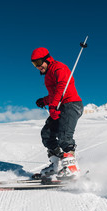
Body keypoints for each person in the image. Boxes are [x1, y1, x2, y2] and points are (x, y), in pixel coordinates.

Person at [31, 47, 84, 179]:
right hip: (60, 105)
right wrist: (45, 100)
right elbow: (54, 94)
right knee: (47, 134)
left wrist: (53, 105)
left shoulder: (59, 68)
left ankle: (72, 169)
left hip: (71, 105)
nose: (37, 67)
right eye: (34, 64)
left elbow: (62, 87)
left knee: (65, 137)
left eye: (38, 62)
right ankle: (57, 166)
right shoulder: (48, 75)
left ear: (47, 59)